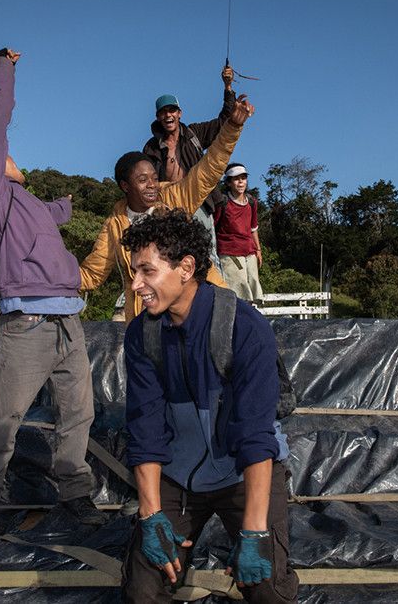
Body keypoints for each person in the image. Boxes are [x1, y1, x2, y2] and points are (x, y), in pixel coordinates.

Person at [0, 47, 106, 532]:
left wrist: (65, 205)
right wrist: (4, 66)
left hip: (67, 323)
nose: (11, 155)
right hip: (28, 323)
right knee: (4, 417)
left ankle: (75, 493)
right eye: (2, 154)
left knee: (79, 413)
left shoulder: (24, 200)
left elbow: (48, 218)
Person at [119, 209, 299, 603]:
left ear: (185, 267)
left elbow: (255, 435)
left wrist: (254, 534)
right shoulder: (141, 335)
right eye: (134, 272)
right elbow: (145, 428)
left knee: (267, 586)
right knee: (142, 588)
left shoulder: (245, 328)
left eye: (147, 271)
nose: (135, 285)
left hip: (242, 472)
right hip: (178, 477)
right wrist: (150, 517)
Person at [79, 94, 256, 323]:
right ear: (125, 186)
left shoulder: (174, 198)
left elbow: (209, 168)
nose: (152, 185)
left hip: (195, 308)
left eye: (154, 177)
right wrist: (47, 275)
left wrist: (232, 126)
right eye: (142, 180)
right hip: (150, 319)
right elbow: (92, 273)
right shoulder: (115, 224)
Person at [142, 66, 236, 276]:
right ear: (158, 117)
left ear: (179, 113)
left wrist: (228, 87)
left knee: (208, 255)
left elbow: (224, 123)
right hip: (168, 206)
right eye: (163, 112)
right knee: (171, 257)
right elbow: (145, 181)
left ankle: (217, 300)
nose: (168, 115)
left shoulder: (194, 133)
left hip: (198, 202)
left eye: (172, 110)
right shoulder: (151, 147)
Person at [214, 162, 264, 302]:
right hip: (230, 251)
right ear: (229, 183)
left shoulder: (252, 202)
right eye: (236, 178)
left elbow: (253, 227)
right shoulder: (223, 203)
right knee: (238, 288)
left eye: (243, 178)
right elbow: (213, 227)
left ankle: (251, 319)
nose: (241, 181)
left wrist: (258, 250)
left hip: (249, 250)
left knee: (253, 285)